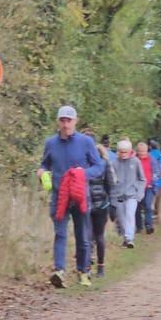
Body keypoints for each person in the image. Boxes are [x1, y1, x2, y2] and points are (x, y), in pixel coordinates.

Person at [39, 105, 105, 288]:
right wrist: (42, 172)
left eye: (69, 120)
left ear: (75, 121)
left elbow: (99, 167)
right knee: (60, 234)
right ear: (58, 122)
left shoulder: (86, 142)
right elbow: (44, 164)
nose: (66, 124)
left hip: (79, 196)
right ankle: (59, 271)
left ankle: (83, 271)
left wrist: (83, 173)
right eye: (62, 120)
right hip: (59, 196)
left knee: (82, 236)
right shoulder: (51, 143)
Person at [87, 138, 116, 279]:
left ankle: (86, 267)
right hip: (101, 204)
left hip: (88, 204)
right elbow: (111, 186)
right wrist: (113, 206)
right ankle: (100, 268)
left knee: (87, 236)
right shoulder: (105, 164)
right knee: (99, 236)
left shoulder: (84, 165)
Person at [112, 139, 146, 248]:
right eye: (121, 151)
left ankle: (130, 238)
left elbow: (142, 179)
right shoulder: (114, 163)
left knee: (130, 215)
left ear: (130, 151)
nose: (123, 154)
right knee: (121, 219)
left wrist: (139, 194)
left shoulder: (135, 162)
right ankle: (125, 238)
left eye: (125, 151)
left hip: (132, 195)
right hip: (119, 196)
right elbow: (111, 180)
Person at [136, 141, 156, 235]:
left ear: (147, 151)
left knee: (148, 206)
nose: (142, 153)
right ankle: (139, 226)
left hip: (149, 187)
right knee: (137, 208)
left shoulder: (152, 160)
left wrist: (154, 186)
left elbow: (156, 173)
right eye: (140, 151)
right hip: (137, 187)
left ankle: (149, 225)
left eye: (143, 151)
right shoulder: (134, 159)